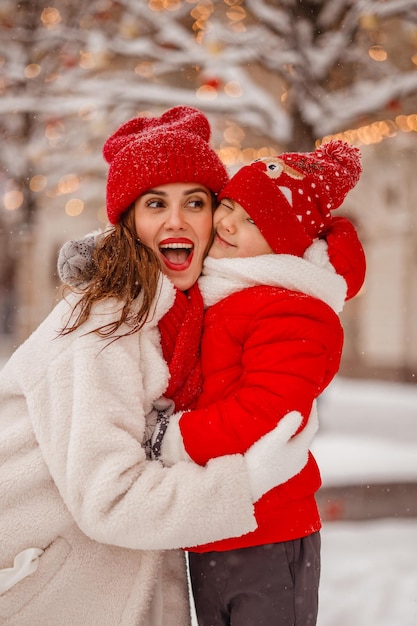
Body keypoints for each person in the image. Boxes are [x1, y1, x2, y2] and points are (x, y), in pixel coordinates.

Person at [0, 106, 315, 626]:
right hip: (50, 591)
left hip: (104, 581)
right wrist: (248, 481)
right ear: (128, 223)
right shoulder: (101, 328)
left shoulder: (173, 315)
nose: (177, 220)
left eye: (196, 201)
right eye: (154, 203)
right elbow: (112, 499)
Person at [149, 141, 367, 625]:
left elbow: (265, 410)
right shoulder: (216, 289)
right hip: (214, 524)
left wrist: (175, 438)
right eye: (227, 206)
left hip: (268, 527)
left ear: (283, 243)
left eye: (253, 221)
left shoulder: (293, 308)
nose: (227, 222)